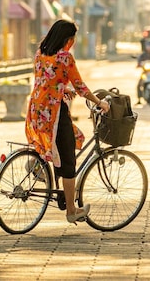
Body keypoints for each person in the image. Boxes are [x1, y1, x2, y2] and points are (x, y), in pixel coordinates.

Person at [25, 19, 111, 224]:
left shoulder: (40, 53)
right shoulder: (65, 57)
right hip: (54, 112)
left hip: (37, 109)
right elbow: (81, 87)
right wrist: (100, 103)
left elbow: (46, 80)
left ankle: (37, 164)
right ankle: (72, 210)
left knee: (63, 141)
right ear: (68, 39)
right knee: (68, 159)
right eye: (73, 39)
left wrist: (63, 89)